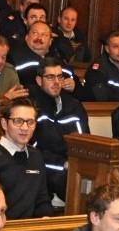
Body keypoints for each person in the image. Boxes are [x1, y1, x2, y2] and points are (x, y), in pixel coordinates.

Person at [0, 98, 53, 219]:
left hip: (30, 229)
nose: (25, 128)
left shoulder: (36, 156)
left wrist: (45, 219)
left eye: (30, 122)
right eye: (18, 121)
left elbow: (42, 199)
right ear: (4, 124)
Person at [32, 57, 89, 206]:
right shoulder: (32, 107)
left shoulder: (74, 106)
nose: (56, 82)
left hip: (75, 168)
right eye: (50, 77)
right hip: (46, 170)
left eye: (59, 76)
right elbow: (31, 150)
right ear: (39, 81)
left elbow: (86, 142)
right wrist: (62, 163)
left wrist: (77, 164)